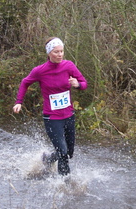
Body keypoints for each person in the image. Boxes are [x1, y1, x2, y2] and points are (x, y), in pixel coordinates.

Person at [13, 37, 88, 176]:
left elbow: (84, 83)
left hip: (69, 115)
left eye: (61, 51)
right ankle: (64, 185)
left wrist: (77, 85)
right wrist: (19, 102)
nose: (60, 54)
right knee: (63, 153)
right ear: (49, 53)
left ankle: (48, 159)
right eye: (56, 52)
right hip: (52, 118)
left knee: (68, 153)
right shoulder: (40, 71)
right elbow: (25, 82)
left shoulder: (69, 66)